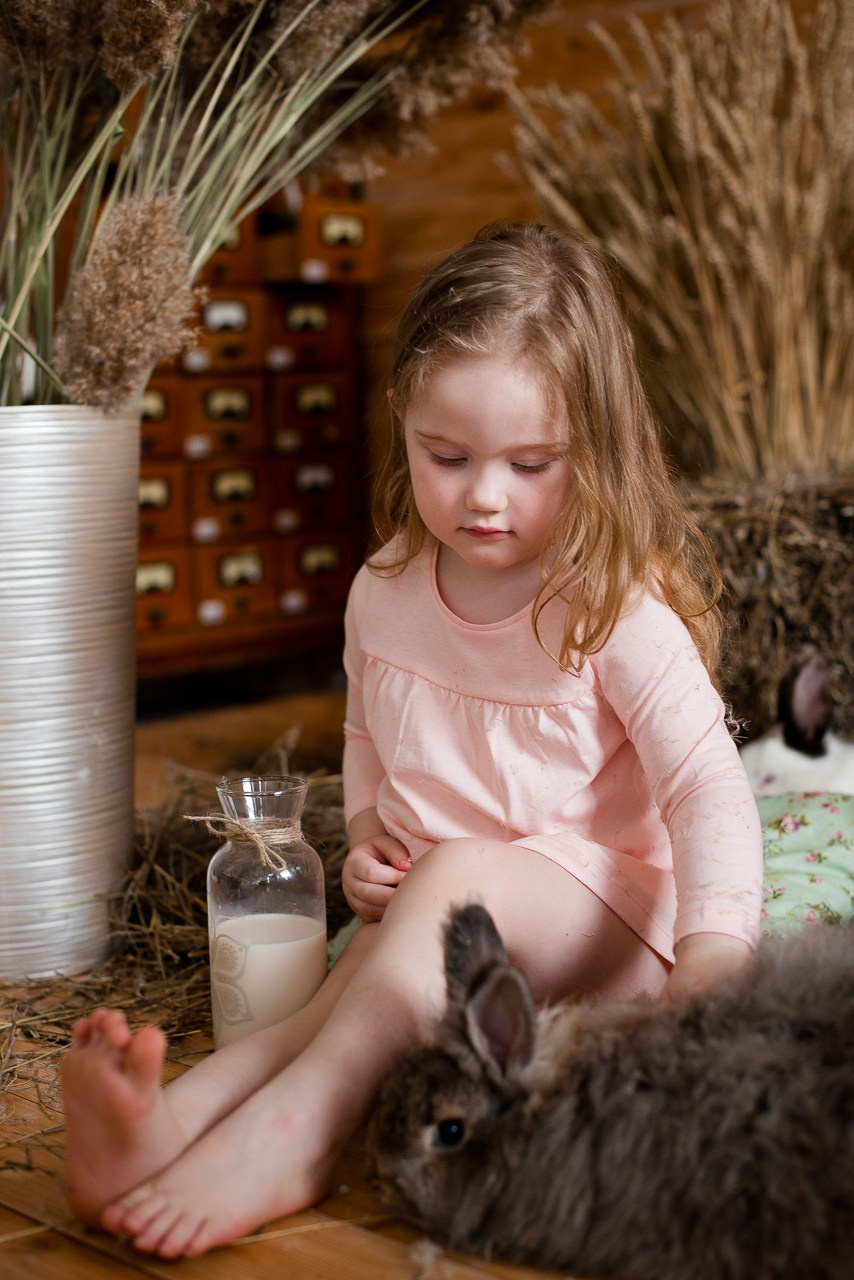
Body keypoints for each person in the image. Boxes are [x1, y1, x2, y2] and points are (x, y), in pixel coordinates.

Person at [60, 222, 764, 1258]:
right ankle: (166, 1121)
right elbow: (368, 733)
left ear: (598, 446)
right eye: (448, 455)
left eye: (531, 463)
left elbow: (707, 789)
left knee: (449, 895)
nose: (484, 494)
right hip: (447, 916)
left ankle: (297, 1135)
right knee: (340, 999)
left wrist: (710, 962)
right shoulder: (384, 589)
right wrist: (366, 836)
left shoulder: (608, 608)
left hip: (606, 917)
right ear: (402, 422)